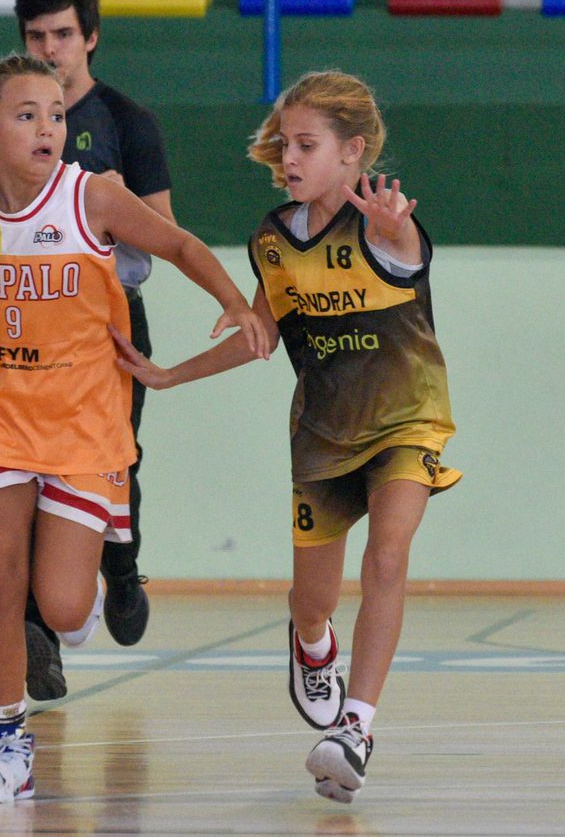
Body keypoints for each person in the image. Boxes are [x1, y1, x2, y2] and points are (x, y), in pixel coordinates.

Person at [0, 53, 268, 803]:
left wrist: (236, 302)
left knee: (61, 606)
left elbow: (179, 244)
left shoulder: (91, 197)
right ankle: (6, 741)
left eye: (56, 115)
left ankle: (93, 561)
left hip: (85, 421)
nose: (47, 128)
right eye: (26, 115)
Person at [113, 70, 460, 805]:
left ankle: (355, 729)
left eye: (307, 145)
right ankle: (312, 643)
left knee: (388, 555)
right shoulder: (273, 240)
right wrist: (171, 375)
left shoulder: (385, 227)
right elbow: (262, 335)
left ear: (352, 152)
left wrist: (395, 225)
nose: (290, 157)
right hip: (323, 433)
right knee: (313, 599)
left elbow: (404, 247)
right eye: (285, 143)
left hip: (409, 419)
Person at [14, 0, 171, 697]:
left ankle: (121, 566)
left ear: (91, 37)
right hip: (27, 316)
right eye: (36, 37)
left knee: (114, 459)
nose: (50, 49)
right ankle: (36, 637)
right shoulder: (9, 122)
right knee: (25, 471)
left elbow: (163, 236)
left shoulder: (127, 121)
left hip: (109, 315)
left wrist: (107, 204)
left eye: (63, 35)